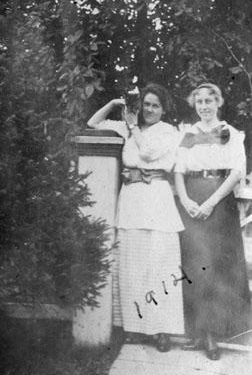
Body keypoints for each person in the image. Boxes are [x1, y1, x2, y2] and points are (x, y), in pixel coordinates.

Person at [87, 83, 185, 352]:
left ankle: (162, 330)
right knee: (132, 268)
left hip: (158, 203)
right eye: (146, 104)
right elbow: (92, 123)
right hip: (131, 202)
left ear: (163, 109)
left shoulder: (168, 132)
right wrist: (115, 105)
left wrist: (132, 127)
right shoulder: (128, 127)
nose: (150, 109)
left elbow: (149, 153)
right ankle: (135, 327)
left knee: (160, 268)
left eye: (155, 105)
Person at [175, 83, 251, 360]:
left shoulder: (230, 133)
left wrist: (210, 202)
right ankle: (198, 332)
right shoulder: (188, 134)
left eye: (209, 100)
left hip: (218, 201)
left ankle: (212, 335)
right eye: (200, 101)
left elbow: (235, 172)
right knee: (195, 266)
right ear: (194, 104)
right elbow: (179, 171)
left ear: (218, 103)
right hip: (192, 200)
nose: (204, 106)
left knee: (217, 267)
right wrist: (185, 200)